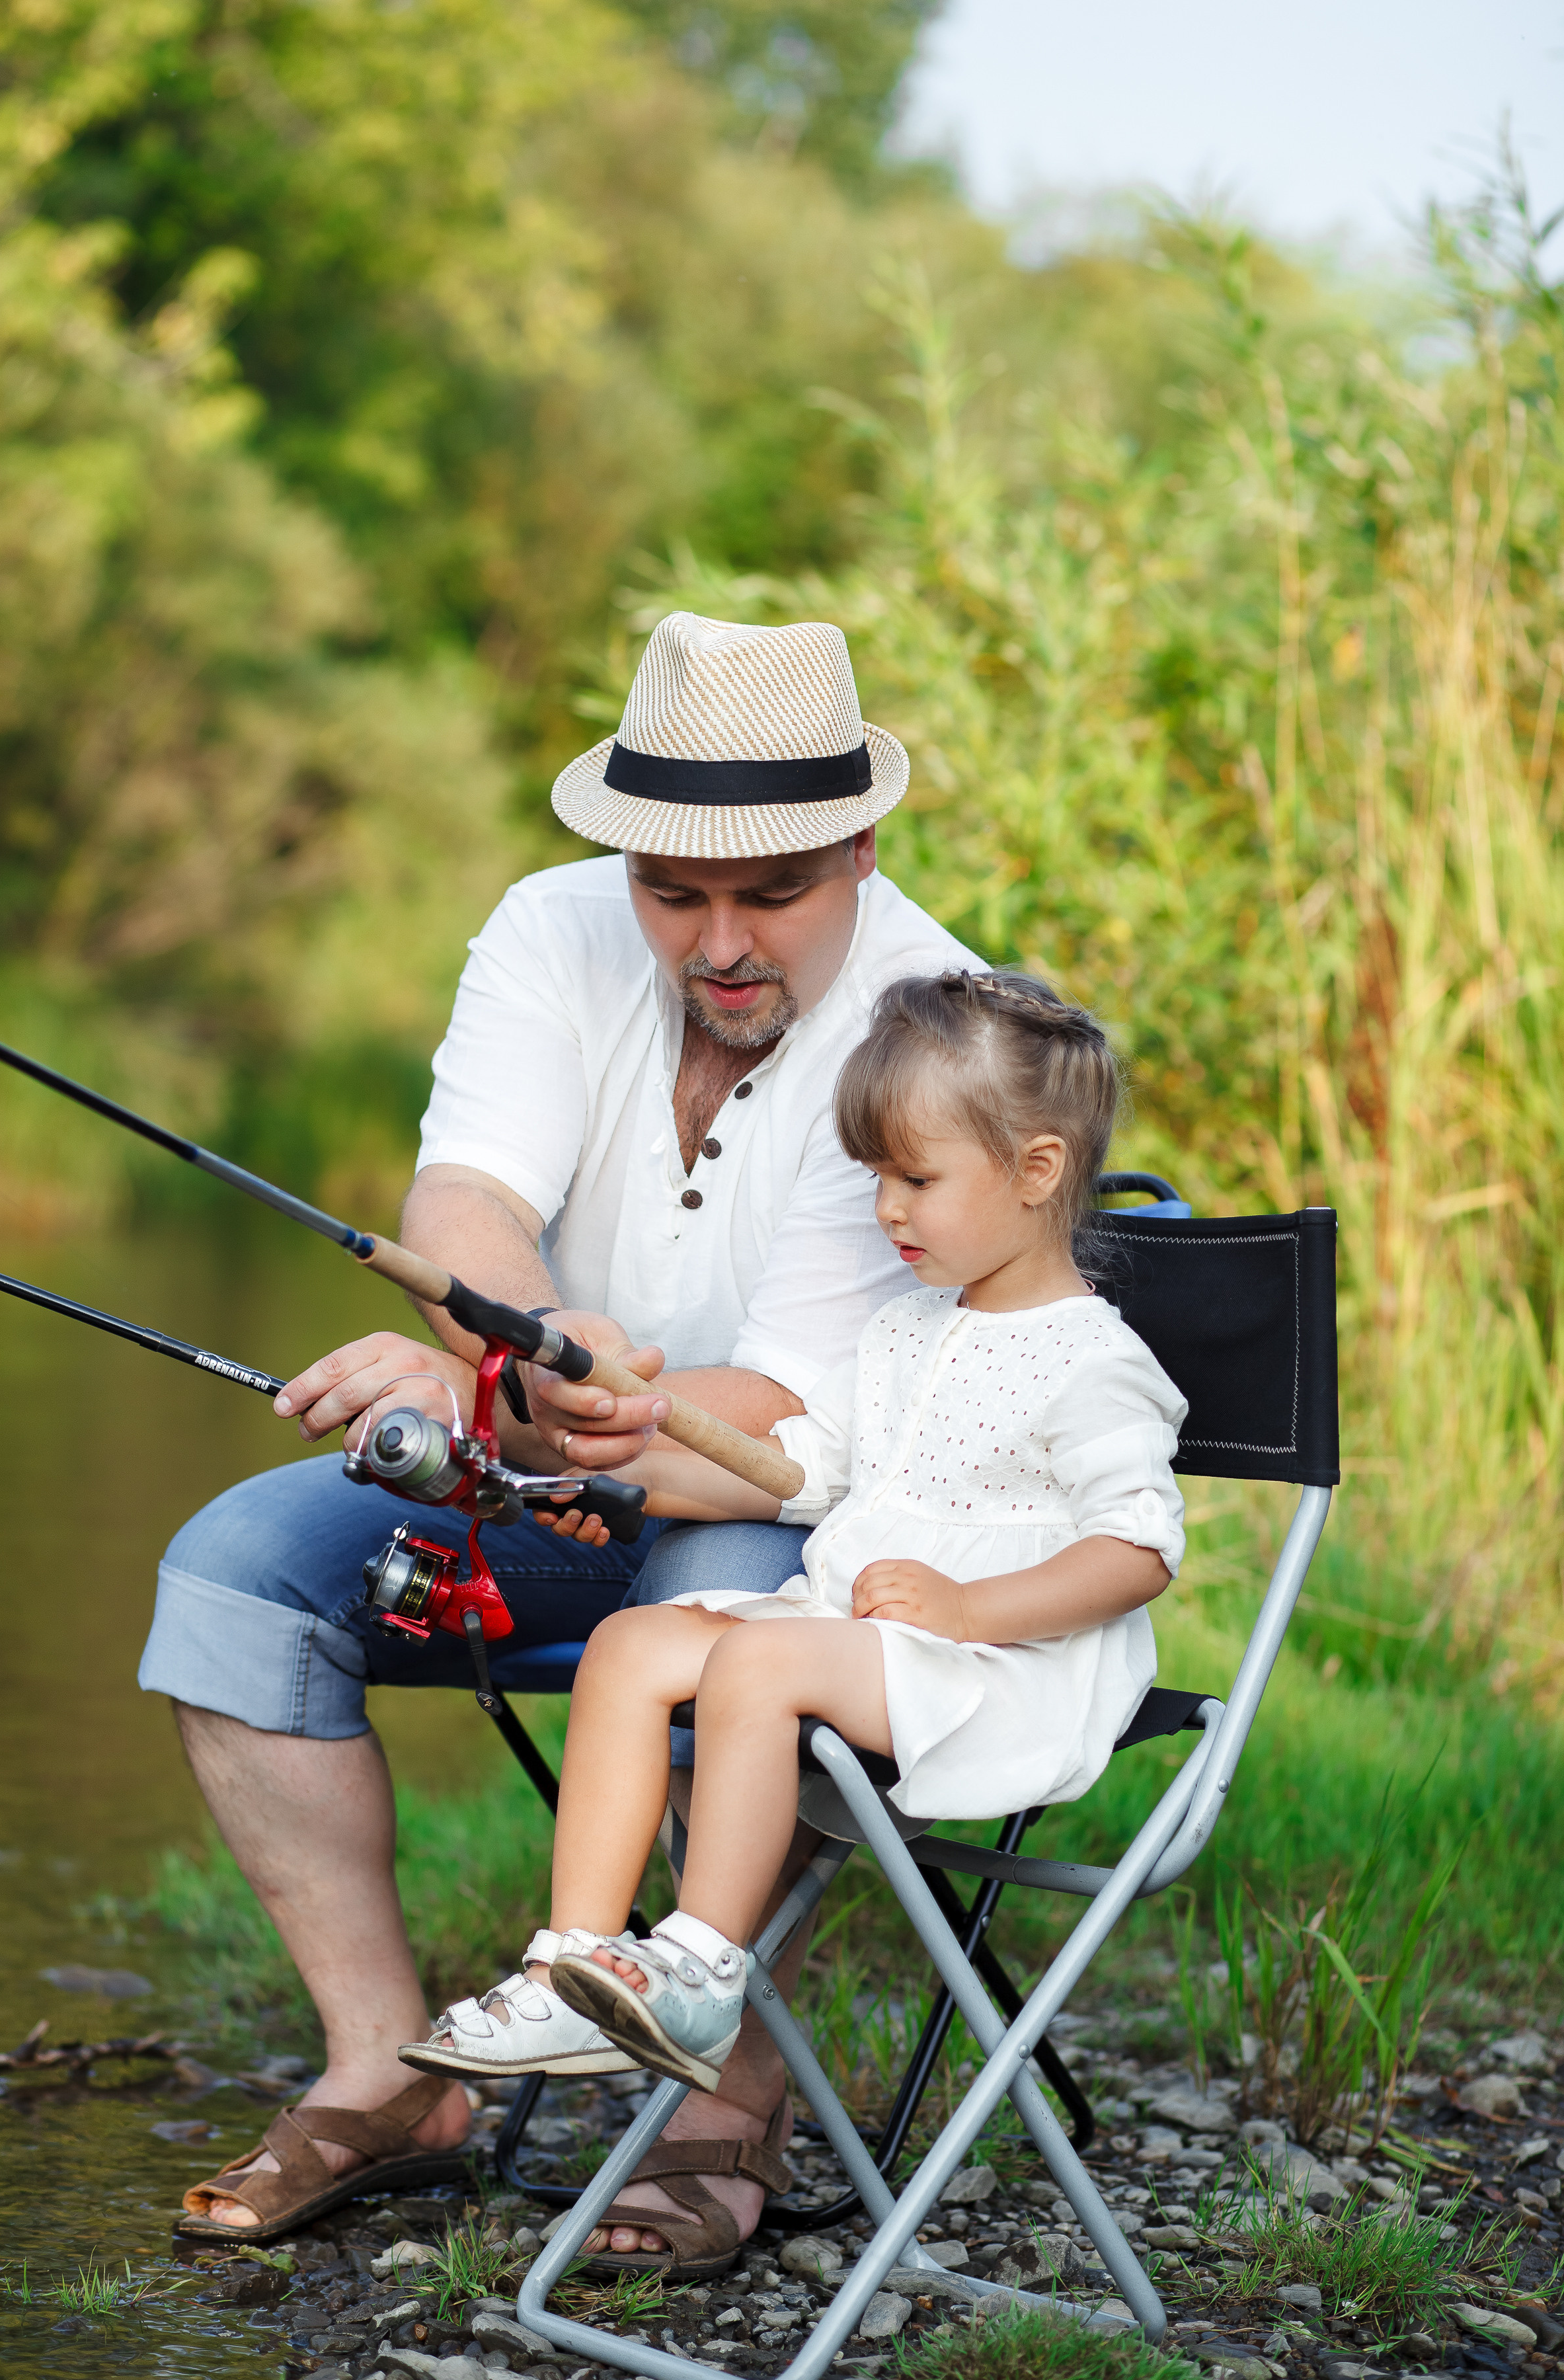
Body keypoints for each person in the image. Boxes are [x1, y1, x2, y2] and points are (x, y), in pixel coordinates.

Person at [158, 612, 984, 2250]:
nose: (719, 941)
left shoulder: (938, 1018)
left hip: (799, 1503)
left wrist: (520, 1400)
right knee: (234, 1575)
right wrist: (509, 1366)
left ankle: (719, 2107)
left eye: (775, 893)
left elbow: (784, 1406)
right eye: (673, 892)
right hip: (552, 1466)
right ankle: (386, 2076)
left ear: (864, 848)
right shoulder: (546, 925)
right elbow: (468, 1201)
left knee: (729, 1595)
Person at [394, 969, 1188, 2276]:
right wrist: (619, 1475)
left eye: (915, 1181)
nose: (885, 1210)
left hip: (1003, 1667)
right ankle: (576, 1965)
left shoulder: (1093, 1357)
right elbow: (805, 1476)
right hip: (865, 1633)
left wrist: (973, 1602)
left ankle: (701, 1972)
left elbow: (1140, 1550)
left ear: (1039, 1169)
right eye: (873, 1174)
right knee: (636, 1643)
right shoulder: (908, 1333)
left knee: (759, 1655)